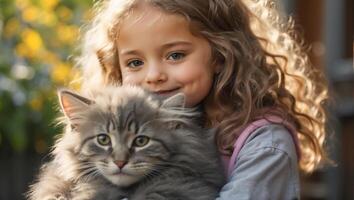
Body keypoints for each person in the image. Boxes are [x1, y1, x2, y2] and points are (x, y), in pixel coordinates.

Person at [75, 0, 329, 199]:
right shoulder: (123, 132)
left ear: (221, 55)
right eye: (135, 62)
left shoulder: (265, 143)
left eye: (175, 55)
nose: (153, 76)